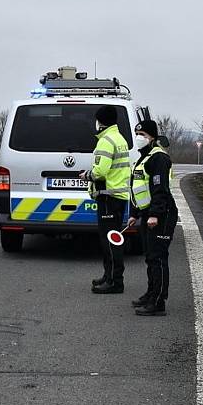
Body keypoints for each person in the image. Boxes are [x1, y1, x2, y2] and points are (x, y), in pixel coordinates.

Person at [127, 120, 178, 316]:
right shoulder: (143, 157)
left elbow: (160, 190)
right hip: (148, 213)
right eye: (138, 134)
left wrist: (155, 214)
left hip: (162, 214)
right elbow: (139, 190)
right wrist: (135, 214)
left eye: (144, 135)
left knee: (158, 258)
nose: (140, 138)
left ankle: (158, 302)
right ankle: (150, 294)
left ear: (153, 138)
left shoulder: (158, 158)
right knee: (150, 257)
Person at [79, 105, 132, 294]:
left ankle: (115, 281)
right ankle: (108, 275)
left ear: (100, 121)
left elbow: (100, 171)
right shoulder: (119, 138)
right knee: (113, 238)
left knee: (109, 240)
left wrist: (87, 175)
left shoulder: (105, 141)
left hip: (108, 196)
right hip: (117, 195)